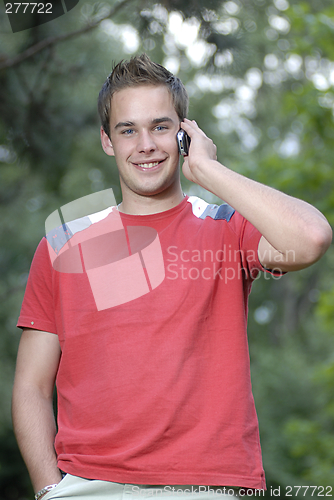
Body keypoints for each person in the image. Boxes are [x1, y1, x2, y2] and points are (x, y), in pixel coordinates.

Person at [12, 54, 332, 500]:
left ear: (185, 134)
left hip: (210, 485)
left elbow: (312, 237)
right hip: (87, 487)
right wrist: (49, 489)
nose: (145, 144)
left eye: (161, 127)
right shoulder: (63, 243)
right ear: (108, 140)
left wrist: (208, 171)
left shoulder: (226, 228)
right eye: (128, 130)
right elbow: (31, 385)